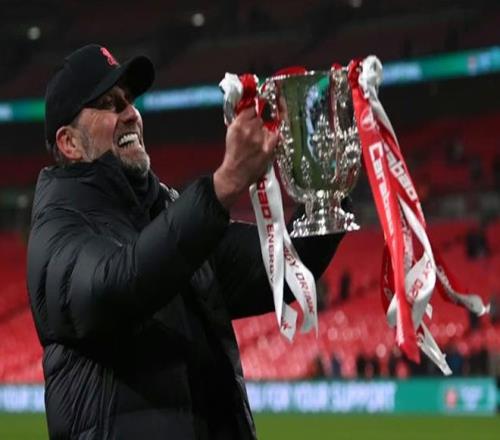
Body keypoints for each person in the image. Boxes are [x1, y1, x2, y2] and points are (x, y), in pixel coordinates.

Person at [26, 44, 346, 439]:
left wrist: (326, 185)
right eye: (109, 104)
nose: (130, 113)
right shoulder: (57, 229)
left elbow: (281, 268)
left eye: (129, 100)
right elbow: (118, 284)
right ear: (69, 143)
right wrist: (223, 186)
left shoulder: (168, 213)